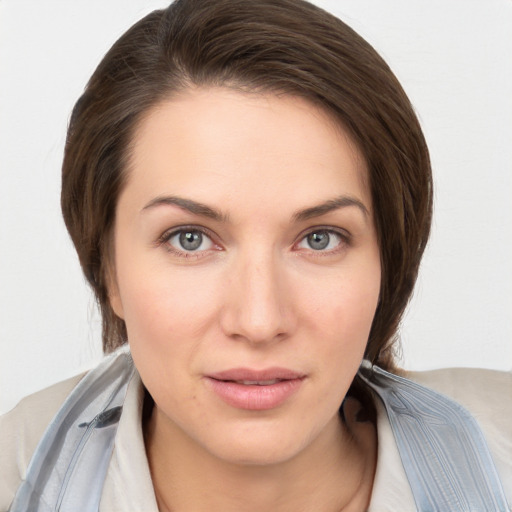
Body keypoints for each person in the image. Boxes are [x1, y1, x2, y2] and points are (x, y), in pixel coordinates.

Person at [1, 0, 510, 510]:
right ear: (107, 267)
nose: (260, 321)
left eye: (320, 238)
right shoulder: (15, 473)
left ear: (388, 262)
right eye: (190, 239)